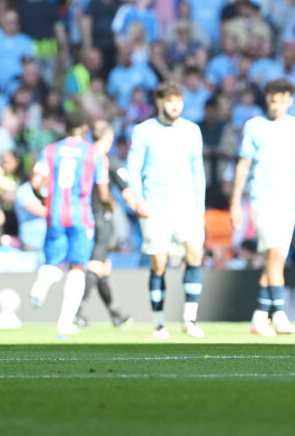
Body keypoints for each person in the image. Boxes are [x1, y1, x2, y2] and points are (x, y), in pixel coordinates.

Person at [230, 78, 295, 337]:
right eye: (272, 100)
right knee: (275, 256)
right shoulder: (254, 126)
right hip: (262, 200)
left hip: (289, 202)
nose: (276, 105)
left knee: (275, 260)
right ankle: (280, 314)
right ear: (267, 100)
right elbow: (243, 166)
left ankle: (258, 317)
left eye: (281, 101)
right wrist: (234, 202)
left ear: (290, 101)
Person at [126, 81, 207, 339]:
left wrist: (200, 205)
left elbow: (198, 170)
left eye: (179, 101)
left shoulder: (192, 131)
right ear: (159, 102)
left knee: (195, 254)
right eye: (170, 101)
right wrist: (139, 199)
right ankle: (159, 323)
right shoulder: (143, 131)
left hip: (186, 205)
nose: (175, 106)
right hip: (155, 207)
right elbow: (134, 168)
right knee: (159, 262)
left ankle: (190, 319)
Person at [27, 109, 114, 336]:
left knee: (53, 263)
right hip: (81, 216)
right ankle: (64, 323)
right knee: (77, 268)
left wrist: (43, 197)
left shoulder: (50, 150)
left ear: (65, 127)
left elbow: (36, 182)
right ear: (85, 128)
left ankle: (44, 278)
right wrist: (108, 206)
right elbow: (103, 193)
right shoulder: (93, 153)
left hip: (55, 214)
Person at [75, 120, 131, 329]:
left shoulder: (83, 158)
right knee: (96, 265)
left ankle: (114, 314)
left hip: (81, 216)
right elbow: (125, 188)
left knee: (102, 267)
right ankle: (76, 311)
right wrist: (137, 206)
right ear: (109, 138)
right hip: (101, 218)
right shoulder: (107, 161)